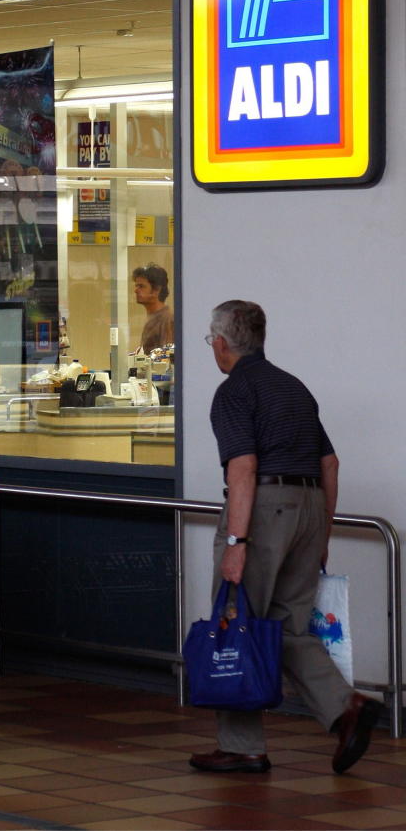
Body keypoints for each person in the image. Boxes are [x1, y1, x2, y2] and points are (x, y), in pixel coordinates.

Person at [191, 299, 380, 776]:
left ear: (220, 342)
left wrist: (237, 543)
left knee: (238, 621)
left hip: (266, 511)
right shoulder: (293, 387)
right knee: (289, 627)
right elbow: (330, 464)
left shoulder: (234, 391)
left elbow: (244, 467)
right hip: (311, 508)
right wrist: (322, 534)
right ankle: (345, 707)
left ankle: (242, 745)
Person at [132, 263, 174, 353]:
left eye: (141, 286)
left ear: (156, 290)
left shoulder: (166, 319)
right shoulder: (154, 318)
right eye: (136, 286)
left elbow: (166, 357)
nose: (136, 290)